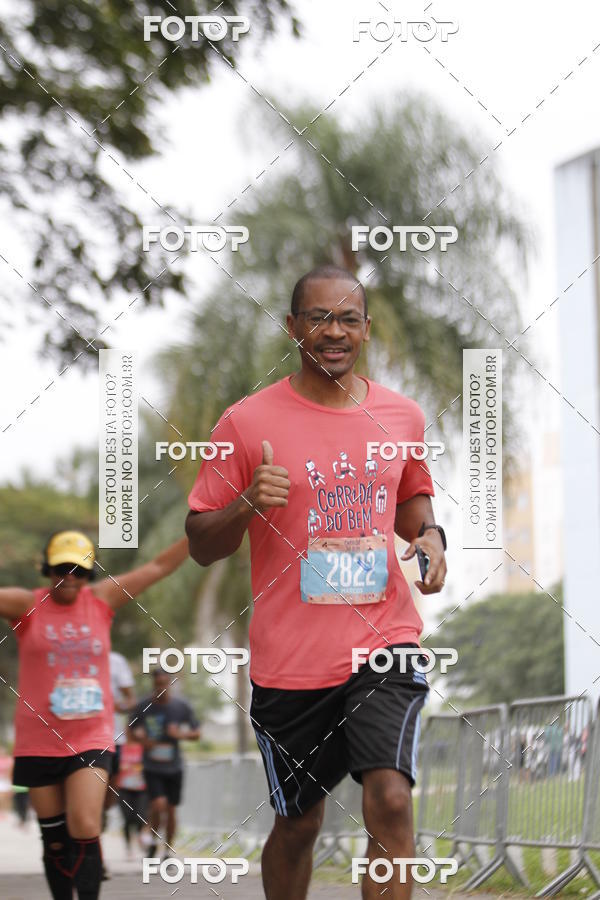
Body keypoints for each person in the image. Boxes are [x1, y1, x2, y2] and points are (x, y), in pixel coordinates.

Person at [185, 264, 448, 900]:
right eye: (318, 318)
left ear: (366, 330)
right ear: (292, 326)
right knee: (298, 823)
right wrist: (247, 503)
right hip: (290, 667)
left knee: (390, 798)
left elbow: (412, 504)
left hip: (385, 641)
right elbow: (200, 542)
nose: (334, 331)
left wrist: (432, 540)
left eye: (348, 319)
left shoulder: (402, 417)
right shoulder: (246, 422)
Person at [0, 529, 189, 900]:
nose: (69, 577)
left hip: (90, 736)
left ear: (90, 573)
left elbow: (159, 565)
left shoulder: (102, 599)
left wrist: (206, 523)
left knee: (85, 823)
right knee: (54, 840)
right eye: (60, 568)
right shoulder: (26, 604)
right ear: (45, 569)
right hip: (38, 740)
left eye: (79, 570)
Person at [130, 667, 201, 860]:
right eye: (157, 684)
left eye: (164, 684)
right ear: (153, 685)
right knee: (158, 804)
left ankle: (168, 850)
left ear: (169, 684)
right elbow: (130, 732)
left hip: (174, 766)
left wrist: (180, 734)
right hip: (152, 766)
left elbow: (197, 733)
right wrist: (143, 740)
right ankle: (153, 840)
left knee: (170, 809)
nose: (161, 688)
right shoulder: (143, 706)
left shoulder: (181, 706)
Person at [100, 650, 136, 879]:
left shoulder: (116, 661)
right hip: (80, 741)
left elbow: (130, 700)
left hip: (114, 740)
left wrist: (113, 705)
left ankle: (92, 839)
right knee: (90, 801)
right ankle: (95, 857)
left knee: (106, 802)